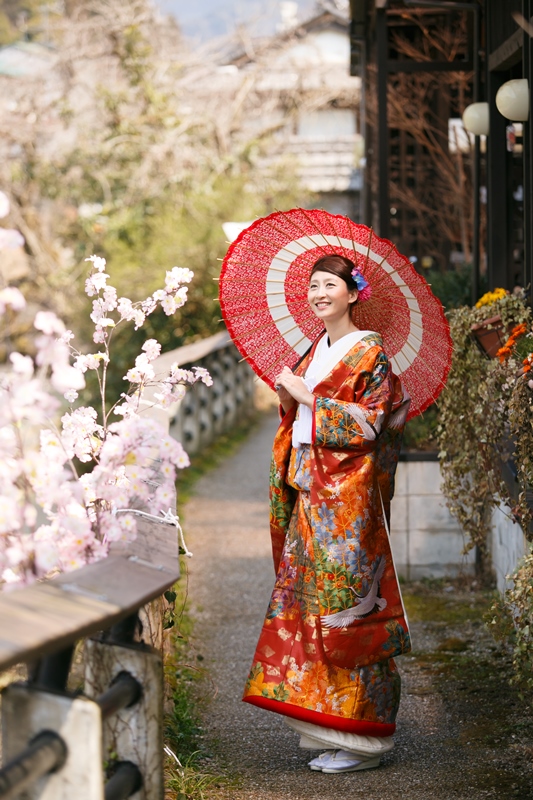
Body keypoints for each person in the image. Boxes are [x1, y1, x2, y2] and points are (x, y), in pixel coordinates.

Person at [242, 254, 411, 774]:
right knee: (310, 608)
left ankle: (365, 740)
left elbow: (371, 426)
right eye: (313, 285)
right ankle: (331, 726)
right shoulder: (318, 348)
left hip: (348, 498)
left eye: (330, 284)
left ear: (353, 294)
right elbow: (306, 414)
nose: (319, 293)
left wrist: (308, 396)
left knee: (347, 609)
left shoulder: (371, 353)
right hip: (313, 489)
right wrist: (292, 399)